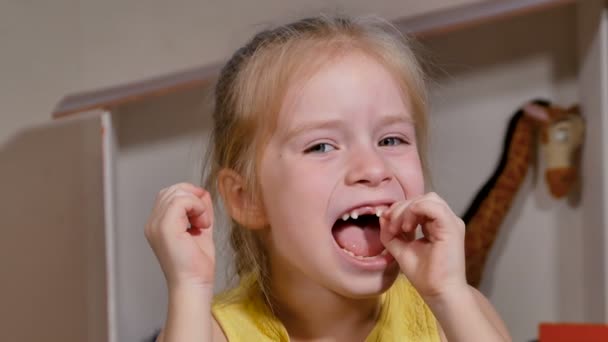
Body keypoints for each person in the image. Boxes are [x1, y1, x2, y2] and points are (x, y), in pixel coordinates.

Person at [145, 14, 512, 342]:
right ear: (246, 199)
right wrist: (189, 288)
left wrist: (450, 294)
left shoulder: (453, 317)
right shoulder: (210, 332)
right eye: (321, 146)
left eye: (391, 139)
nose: (373, 169)